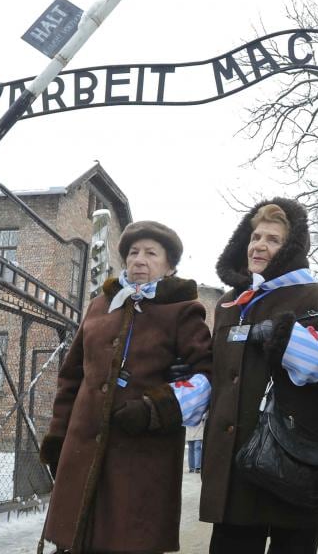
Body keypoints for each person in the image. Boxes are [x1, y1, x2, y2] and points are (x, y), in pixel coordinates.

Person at [39, 221, 213, 554]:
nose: (139, 260)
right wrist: (59, 437)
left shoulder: (182, 311)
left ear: (170, 265)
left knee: (128, 540)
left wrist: (155, 409)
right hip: (83, 446)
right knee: (76, 538)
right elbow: (71, 377)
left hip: (143, 454)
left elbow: (207, 377)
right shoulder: (100, 306)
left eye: (151, 253)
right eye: (133, 253)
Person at [200, 198, 318, 554]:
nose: (259, 245)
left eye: (272, 239)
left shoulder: (316, 294)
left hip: (293, 464)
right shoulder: (230, 303)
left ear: (290, 248)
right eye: (255, 236)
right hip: (235, 467)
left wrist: (287, 339)